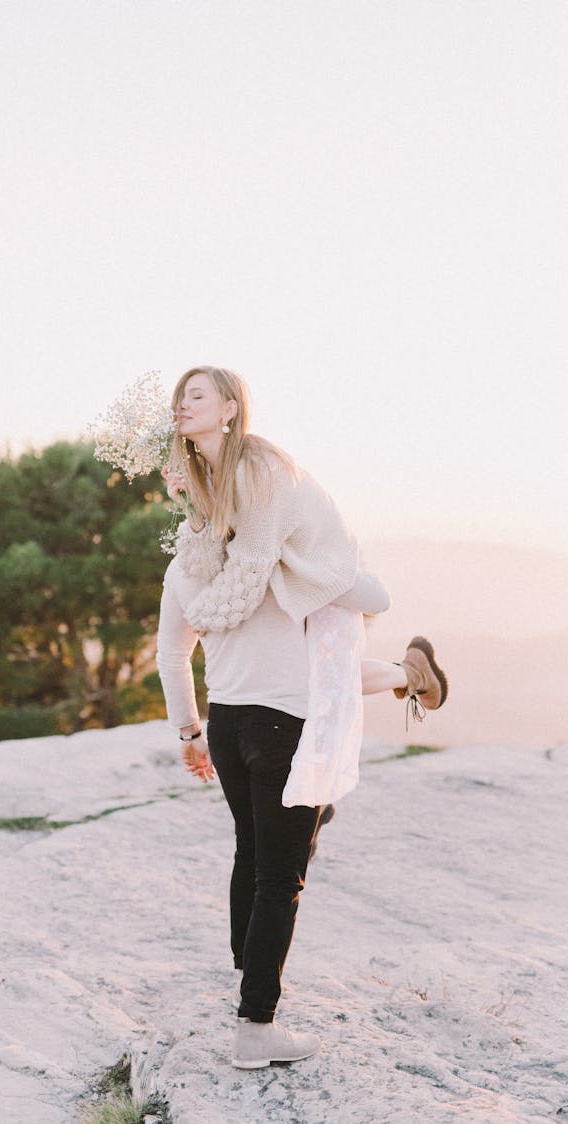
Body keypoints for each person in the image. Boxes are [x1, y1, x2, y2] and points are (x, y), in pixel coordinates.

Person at [156, 366, 447, 1070]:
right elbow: (364, 601)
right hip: (285, 725)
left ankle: (245, 971)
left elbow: (170, 658)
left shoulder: (191, 569)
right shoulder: (283, 569)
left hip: (228, 728)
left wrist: (189, 734)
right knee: (279, 876)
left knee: (255, 854)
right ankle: (256, 1028)